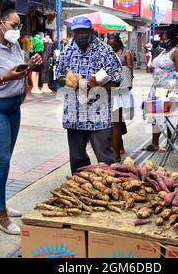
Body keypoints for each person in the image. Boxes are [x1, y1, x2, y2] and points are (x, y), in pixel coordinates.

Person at [0, 0, 43, 235]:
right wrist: (6, 78)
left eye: (19, 26)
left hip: (13, 108)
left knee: (5, 158)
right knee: (1, 161)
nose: (17, 30)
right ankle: (1, 216)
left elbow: (17, 71)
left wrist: (30, 66)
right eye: (14, 25)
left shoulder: (14, 46)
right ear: (0, 24)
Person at [56, 16, 122, 174]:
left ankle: (107, 190)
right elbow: (58, 78)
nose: (80, 36)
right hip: (74, 113)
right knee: (77, 158)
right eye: (76, 32)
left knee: (104, 157)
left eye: (83, 32)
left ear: (91, 32)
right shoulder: (67, 50)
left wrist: (99, 84)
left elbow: (117, 80)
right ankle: (79, 189)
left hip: (98, 113)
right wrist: (70, 82)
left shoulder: (104, 51)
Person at [143, 29, 178, 152]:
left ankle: (169, 143)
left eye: (163, 38)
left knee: (168, 117)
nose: (161, 40)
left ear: (170, 39)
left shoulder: (176, 52)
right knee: (155, 115)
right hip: (157, 88)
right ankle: (154, 143)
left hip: (167, 90)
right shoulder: (163, 52)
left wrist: (172, 90)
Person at [108, 33, 134, 163]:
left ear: (118, 41)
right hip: (109, 88)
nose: (110, 43)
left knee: (115, 121)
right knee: (117, 119)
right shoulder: (108, 53)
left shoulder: (126, 52)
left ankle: (116, 154)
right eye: (109, 41)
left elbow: (130, 70)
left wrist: (129, 83)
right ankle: (119, 147)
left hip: (122, 88)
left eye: (112, 41)